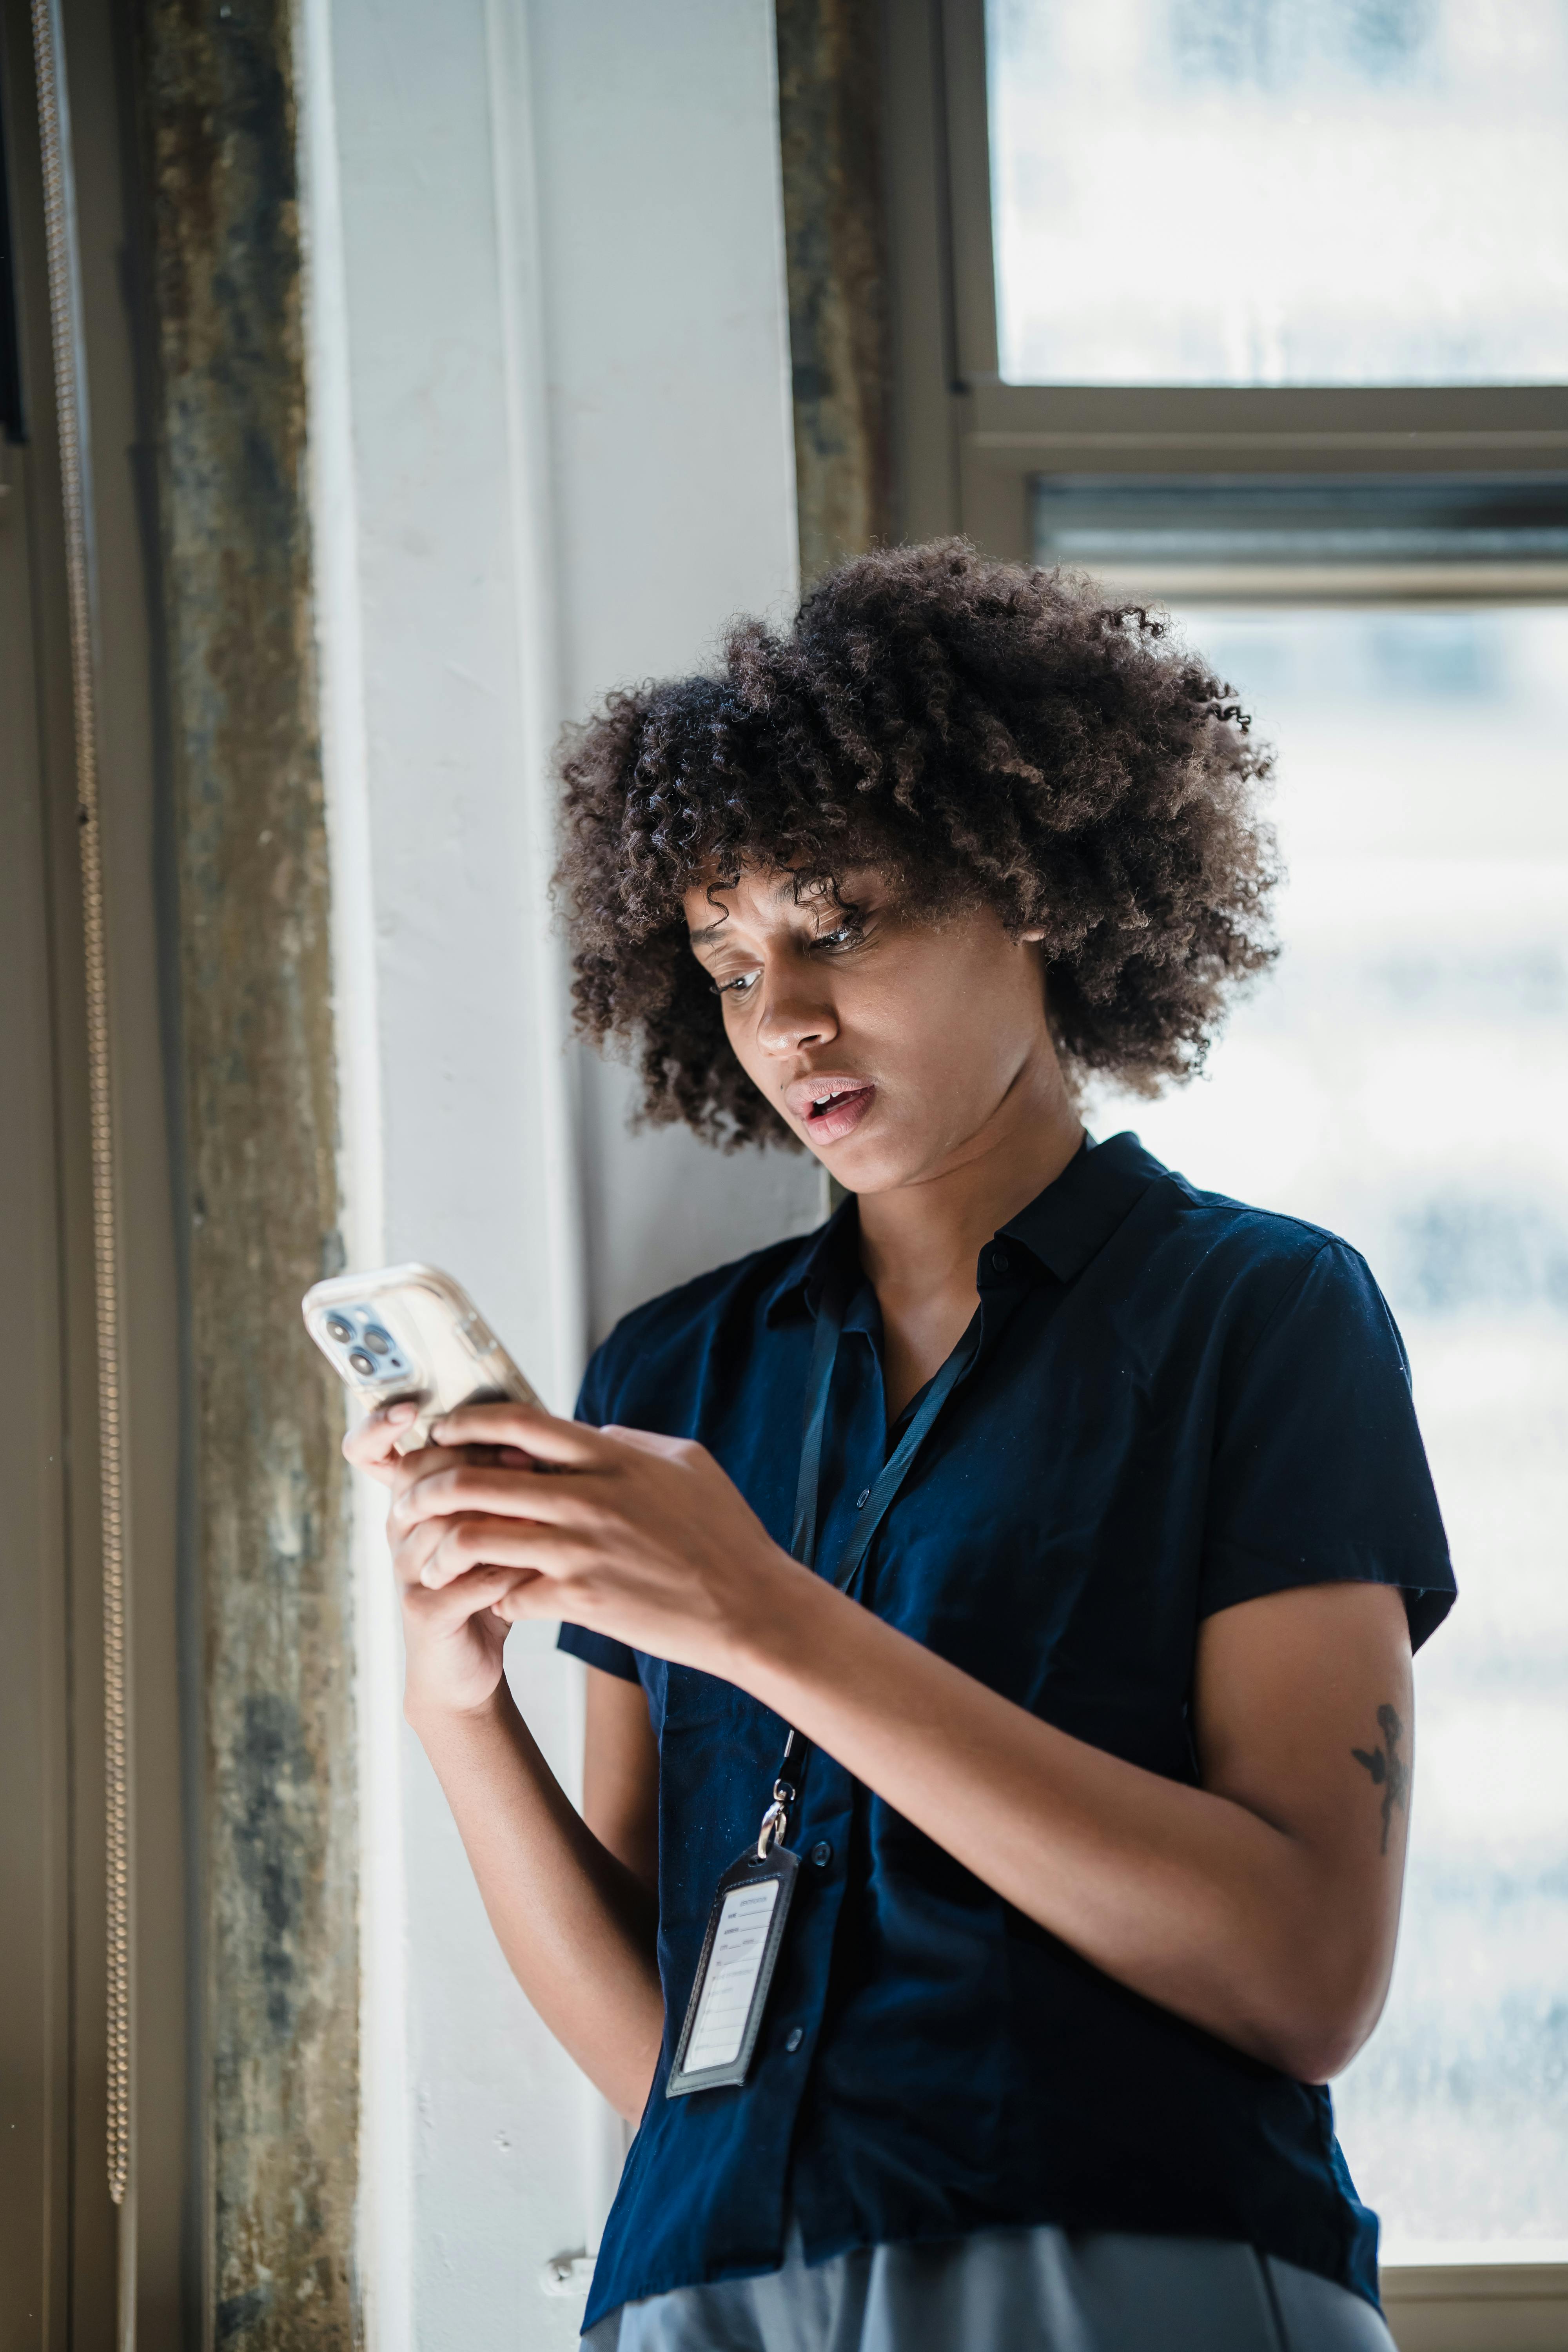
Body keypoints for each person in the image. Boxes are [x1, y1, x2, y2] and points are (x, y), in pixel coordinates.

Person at [347, 544, 1454, 2351]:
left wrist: (764, 1618)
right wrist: (454, 1705)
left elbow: (1302, 1973)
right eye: (727, 963)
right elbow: (661, 2049)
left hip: (1121, 2272)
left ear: (1032, 894)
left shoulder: (1264, 1316)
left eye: (837, 925)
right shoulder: (673, 1376)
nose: (782, 1019)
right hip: (701, 2292)